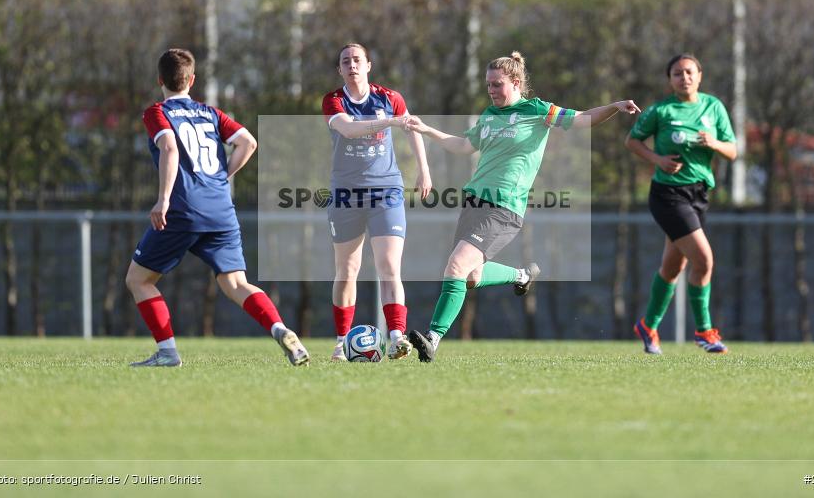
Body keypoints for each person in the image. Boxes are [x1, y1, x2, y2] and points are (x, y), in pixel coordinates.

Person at [403, 51, 640, 362]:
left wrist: (613, 107)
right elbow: (463, 146)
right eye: (488, 85)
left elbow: (582, 119)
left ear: (515, 83)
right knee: (471, 276)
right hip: (474, 203)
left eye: (497, 84)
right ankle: (520, 276)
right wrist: (427, 131)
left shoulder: (537, 110)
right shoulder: (488, 115)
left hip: (503, 208)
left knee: (456, 267)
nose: (491, 90)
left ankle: (432, 338)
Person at [125, 48, 309, 367]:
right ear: (192, 80)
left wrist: (164, 199)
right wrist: (221, 177)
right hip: (221, 208)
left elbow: (169, 148)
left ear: (160, 80)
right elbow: (248, 142)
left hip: (183, 209)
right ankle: (279, 328)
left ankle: (168, 353)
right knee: (235, 283)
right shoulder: (210, 113)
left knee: (138, 280)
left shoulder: (157, 112)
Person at [321, 43, 432, 361]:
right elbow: (348, 129)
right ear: (340, 69)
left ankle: (397, 336)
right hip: (346, 193)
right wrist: (389, 123)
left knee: (388, 266)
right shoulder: (334, 100)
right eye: (345, 61)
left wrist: (424, 170)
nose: (352, 65)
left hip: (386, 192)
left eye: (357, 60)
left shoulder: (390, 98)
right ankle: (341, 342)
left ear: (368, 65)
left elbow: (412, 128)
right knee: (347, 269)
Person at [625, 53, 736, 355]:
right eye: (677, 73)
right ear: (670, 79)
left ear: (700, 75)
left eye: (689, 72)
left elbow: (733, 151)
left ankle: (648, 326)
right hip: (668, 196)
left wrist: (713, 144)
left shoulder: (713, 107)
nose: (683, 77)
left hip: (699, 194)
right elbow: (632, 141)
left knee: (673, 267)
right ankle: (704, 331)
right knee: (704, 260)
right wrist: (658, 160)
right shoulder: (660, 110)